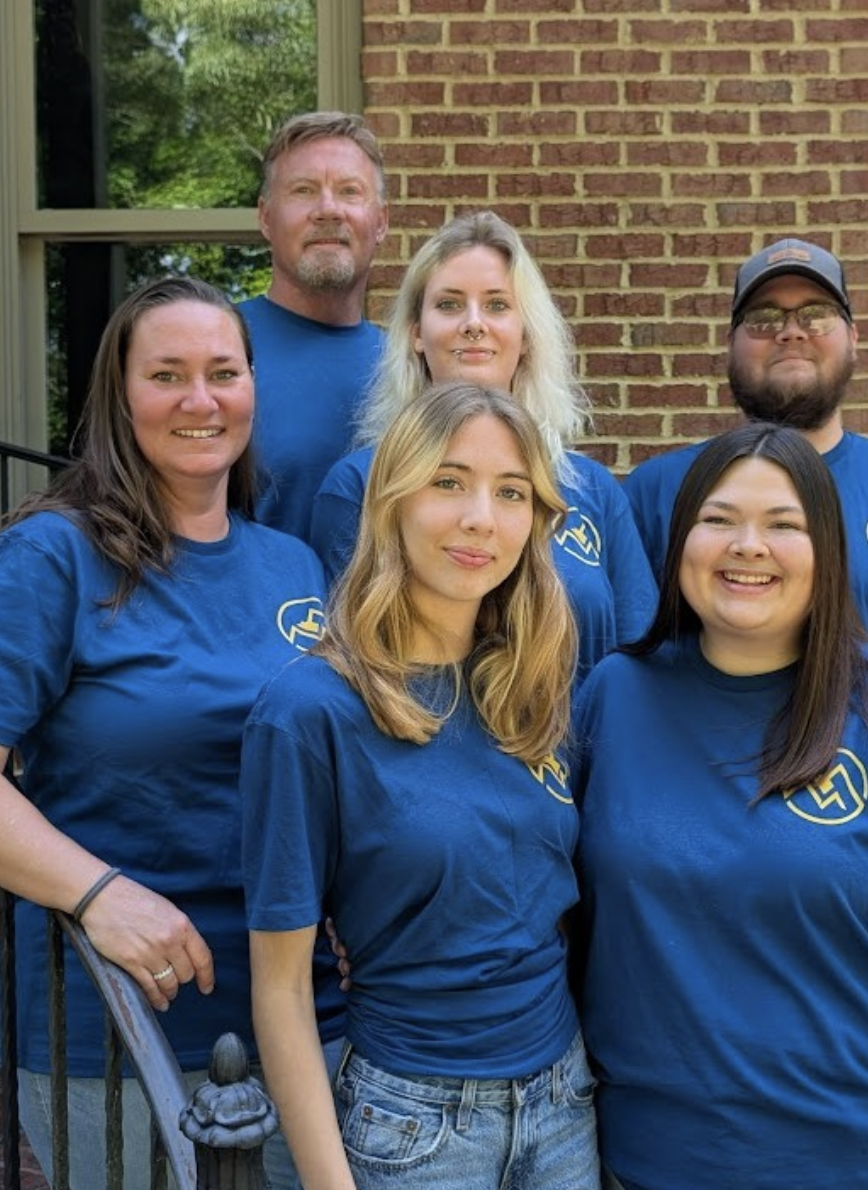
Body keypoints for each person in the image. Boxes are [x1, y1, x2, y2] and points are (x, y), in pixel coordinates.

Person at [0, 277, 326, 1190]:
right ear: (119, 395)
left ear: (253, 390)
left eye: (224, 372)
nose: (200, 400)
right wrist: (99, 894)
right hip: (118, 1023)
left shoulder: (293, 565)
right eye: (168, 374)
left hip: (303, 1016)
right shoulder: (53, 556)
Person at [575, 421, 868, 1190]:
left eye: (785, 525)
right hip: (648, 1166)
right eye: (718, 520)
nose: (748, 545)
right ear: (680, 542)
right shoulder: (612, 697)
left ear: (829, 553)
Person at [243, 381, 600, 1190]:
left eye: (511, 492)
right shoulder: (309, 713)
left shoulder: (533, 687)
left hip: (564, 1103)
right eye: (449, 481)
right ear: (393, 500)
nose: (482, 516)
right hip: (414, 1126)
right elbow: (283, 989)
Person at [623, 238, 868, 757]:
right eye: (764, 317)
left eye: (817, 313)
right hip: (706, 813)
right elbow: (628, 668)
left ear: (854, 337)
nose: (791, 331)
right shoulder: (658, 491)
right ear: (731, 344)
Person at [311, 209, 655, 685]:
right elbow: (350, 661)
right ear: (415, 332)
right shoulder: (359, 483)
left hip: (583, 756)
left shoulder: (590, 488)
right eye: (450, 305)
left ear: (527, 334)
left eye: (496, 305)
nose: (474, 324)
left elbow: (640, 663)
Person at [239, 110, 389, 540]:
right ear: (266, 218)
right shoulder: (218, 351)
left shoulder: (410, 364)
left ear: (380, 222)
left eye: (349, 191)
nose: (328, 210)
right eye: (303, 191)